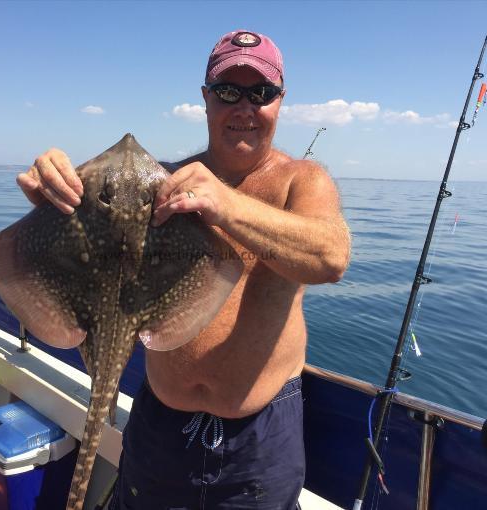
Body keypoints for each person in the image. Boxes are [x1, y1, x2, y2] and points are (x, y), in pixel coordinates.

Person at [18, 30, 351, 509]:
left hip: (257, 440)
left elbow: (331, 257)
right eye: (227, 91)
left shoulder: (303, 179)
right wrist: (55, 195)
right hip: (160, 424)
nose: (244, 107)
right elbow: (95, 259)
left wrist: (226, 205)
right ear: (206, 98)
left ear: (280, 101)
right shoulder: (164, 183)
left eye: (260, 93)